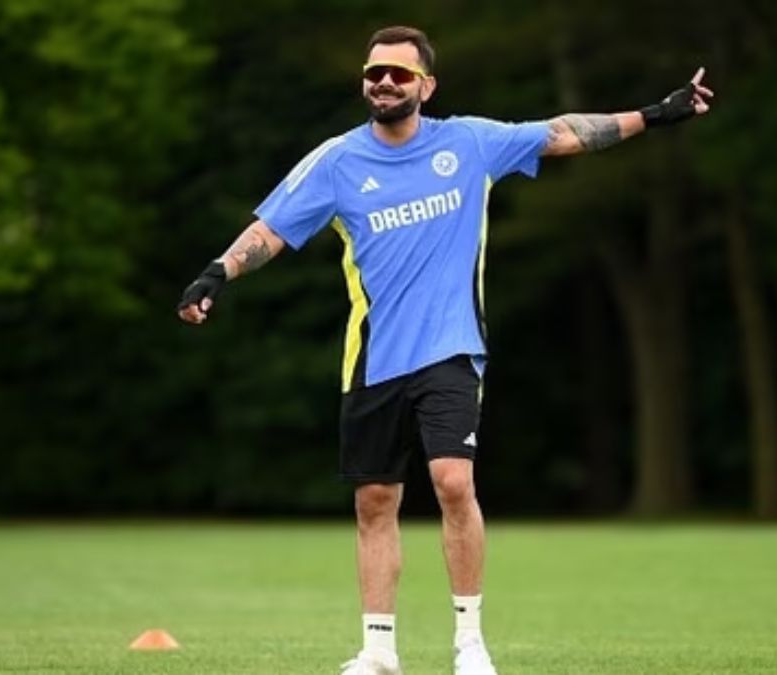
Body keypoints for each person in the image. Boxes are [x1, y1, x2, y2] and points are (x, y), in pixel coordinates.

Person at [176, 25, 711, 675]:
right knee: (375, 501)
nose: (383, 82)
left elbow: (563, 133)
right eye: (374, 73)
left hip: (451, 348)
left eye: (399, 74)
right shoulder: (337, 161)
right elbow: (271, 230)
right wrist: (216, 274)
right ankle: (379, 650)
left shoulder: (470, 142)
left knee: (454, 482)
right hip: (374, 356)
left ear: (426, 87)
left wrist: (654, 115)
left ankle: (470, 644)